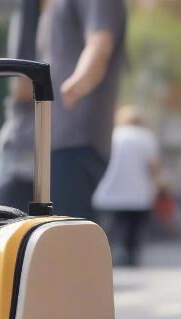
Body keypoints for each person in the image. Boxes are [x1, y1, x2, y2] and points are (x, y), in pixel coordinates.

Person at [37, 0, 126, 219]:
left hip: (73, 139)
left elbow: (100, 42)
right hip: (58, 138)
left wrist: (76, 84)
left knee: (64, 241)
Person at [93, 105, 160, 266]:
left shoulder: (113, 135)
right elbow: (153, 166)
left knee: (111, 228)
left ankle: (107, 258)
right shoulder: (146, 137)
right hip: (139, 193)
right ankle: (131, 257)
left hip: (111, 191)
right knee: (134, 229)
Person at [0, 0, 42, 210]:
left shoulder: (31, 8)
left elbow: (23, 85)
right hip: (35, 145)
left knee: (9, 231)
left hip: (25, 144)